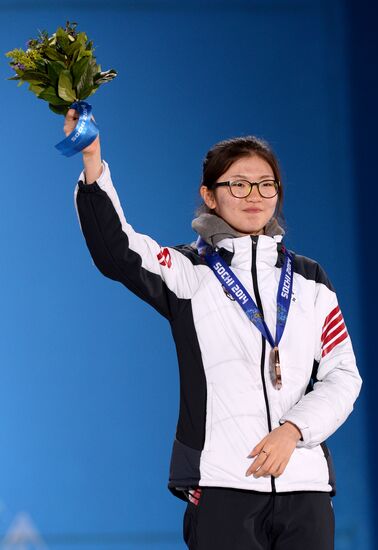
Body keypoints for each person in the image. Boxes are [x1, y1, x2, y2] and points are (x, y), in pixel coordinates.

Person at [64, 109, 362, 550]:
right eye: (237, 184)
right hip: (223, 485)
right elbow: (117, 249)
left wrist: (294, 430)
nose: (253, 195)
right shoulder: (190, 271)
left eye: (266, 184)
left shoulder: (310, 279)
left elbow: (343, 375)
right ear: (209, 194)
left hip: (306, 490)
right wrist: (92, 161)